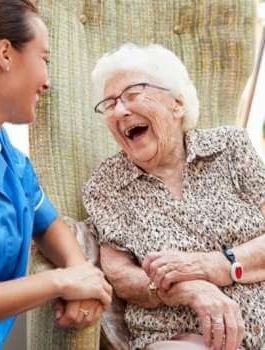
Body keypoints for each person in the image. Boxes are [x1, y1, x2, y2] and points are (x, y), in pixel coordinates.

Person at [0, 1, 112, 349]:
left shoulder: (5, 154)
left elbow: (46, 222)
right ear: (5, 53)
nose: (47, 82)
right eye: (44, 59)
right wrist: (60, 283)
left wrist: (83, 274)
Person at [82, 43, 265, 350]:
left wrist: (215, 266)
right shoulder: (106, 184)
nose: (120, 110)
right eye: (110, 103)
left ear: (177, 104)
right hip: (181, 338)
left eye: (132, 94)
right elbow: (121, 276)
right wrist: (192, 290)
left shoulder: (230, 148)